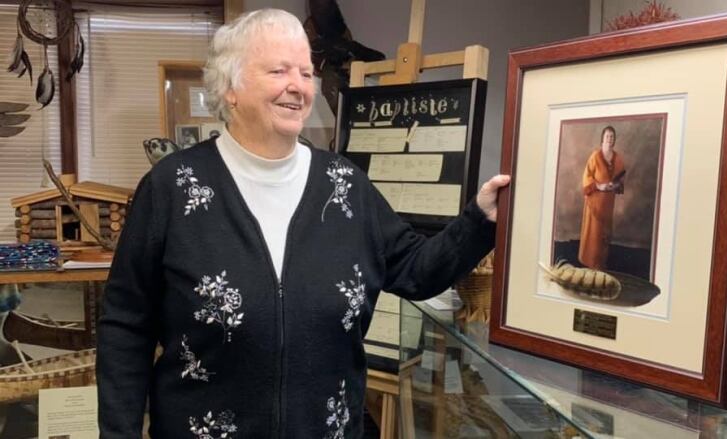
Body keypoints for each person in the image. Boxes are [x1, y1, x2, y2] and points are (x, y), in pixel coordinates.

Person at [96, 9, 510, 438]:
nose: (298, 86)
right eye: (278, 70)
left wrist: (480, 219)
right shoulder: (172, 188)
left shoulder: (345, 186)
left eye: (306, 72)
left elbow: (418, 270)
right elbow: (126, 325)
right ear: (231, 87)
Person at [578, 125, 625, 270]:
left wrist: (614, 186)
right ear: (602, 139)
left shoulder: (617, 158)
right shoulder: (595, 156)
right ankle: (589, 261)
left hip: (608, 202)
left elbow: (620, 180)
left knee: (604, 233)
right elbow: (587, 177)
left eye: (612, 137)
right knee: (593, 232)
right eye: (607, 136)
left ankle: (601, 262)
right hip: (594, 201)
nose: (610, 139)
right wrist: (599, 186)